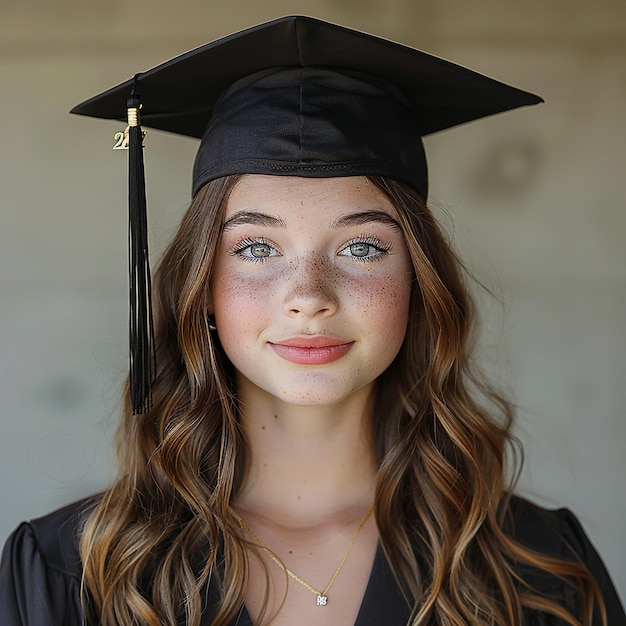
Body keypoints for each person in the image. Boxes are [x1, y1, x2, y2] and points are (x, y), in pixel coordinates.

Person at [0, 15, 624, 626]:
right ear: (202, 288)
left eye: (361, 248)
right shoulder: (74, 573)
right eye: (255, 249)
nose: (308, 296)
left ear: (418, 282)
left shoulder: (539, 571)